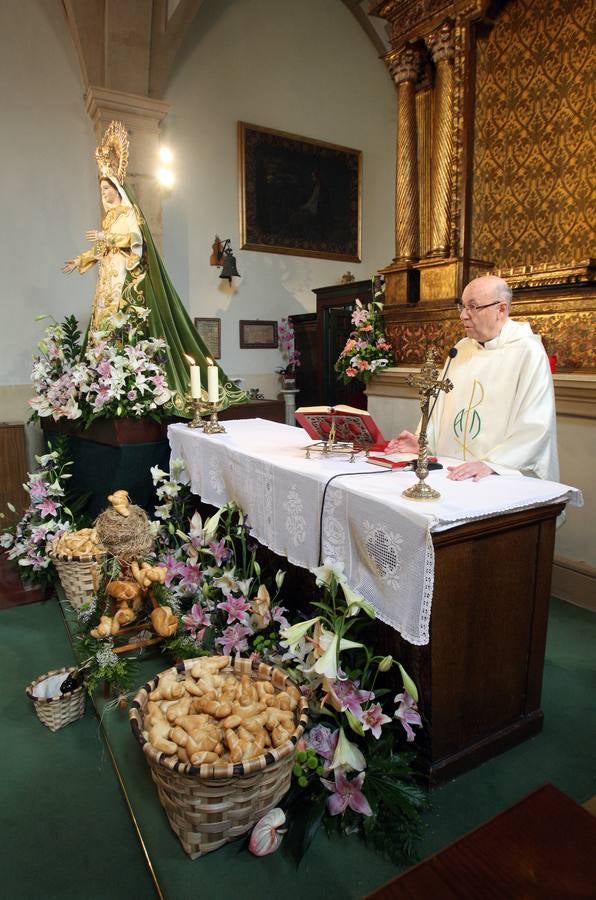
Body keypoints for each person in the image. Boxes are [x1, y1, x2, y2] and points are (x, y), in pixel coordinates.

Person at [62, 121, 245, 413]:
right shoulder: (109, 218)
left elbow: (136, 240)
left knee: (123, 322)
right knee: (104, 328)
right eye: (101, 189)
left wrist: (107, 237)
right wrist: (81, 259)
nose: (104, 193)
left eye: (107, 188)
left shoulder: (128, 212)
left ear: (117, 188)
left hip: (123, 275)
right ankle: (104, 385)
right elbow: (103, 246)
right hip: (107, 278)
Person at [393, 274, 559, 482]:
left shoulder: (528, 352)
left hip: (497, 478)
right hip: (450, 474)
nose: (463, 315)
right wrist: (423, 443)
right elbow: (439, 409)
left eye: (473, 307)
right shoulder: (460, 350)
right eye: (462, 307)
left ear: (501, 309)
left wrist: (492, 463)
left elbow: (535, 426)